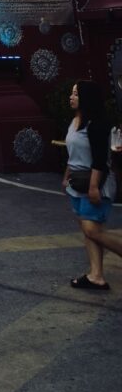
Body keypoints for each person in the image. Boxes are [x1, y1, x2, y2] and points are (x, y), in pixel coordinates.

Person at [63, 80, 120, 290]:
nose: (71, 97)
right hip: (77, 183)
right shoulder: (75, 121)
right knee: (89, 230)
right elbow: (73, 154)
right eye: (72, 93)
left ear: (87, 98)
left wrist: (94, 187)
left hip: (95, 183)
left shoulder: (97, 124)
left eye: (76, 94)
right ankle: (96, 275)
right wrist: (66, 176)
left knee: (92, 230)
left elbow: (99, 160)